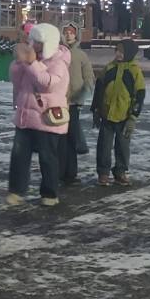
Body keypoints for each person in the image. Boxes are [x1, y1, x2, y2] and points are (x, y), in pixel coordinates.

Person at [6, 24, 70, 206]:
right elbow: (16, 81)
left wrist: (32, 63)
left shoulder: (59, 62)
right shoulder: (31, 59)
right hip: (25, 116)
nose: (34, 45)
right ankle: (16, 191)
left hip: (46, 119)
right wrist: (19, 62)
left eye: (38, 42)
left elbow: (47, 84)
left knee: (47, 157)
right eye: (33, 41)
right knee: (19, 156)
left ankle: (50, 194)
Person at [91, 41, 144, 186]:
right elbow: (99, 89)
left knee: (123, 146)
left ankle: (120, 171)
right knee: (104, 146)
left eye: (122, 51)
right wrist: (96, 109)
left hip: (124, 116)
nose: (118, 54)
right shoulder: (109, 68)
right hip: (107, 114)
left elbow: (139, 95)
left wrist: (133, 116)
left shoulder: (134, 71)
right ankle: (103, 172)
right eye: (117, 51)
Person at [59, 22, 95, 185]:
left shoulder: (80, 55)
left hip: (73, 103)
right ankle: (60, 171)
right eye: (66, 32)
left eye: (71, 32)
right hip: (58, 101)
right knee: (59, 138)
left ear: (76, 35)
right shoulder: (57, 53)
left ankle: (71, 173)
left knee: (71, 138)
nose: (68, 35)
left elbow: (88, 78)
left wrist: (82, 97)